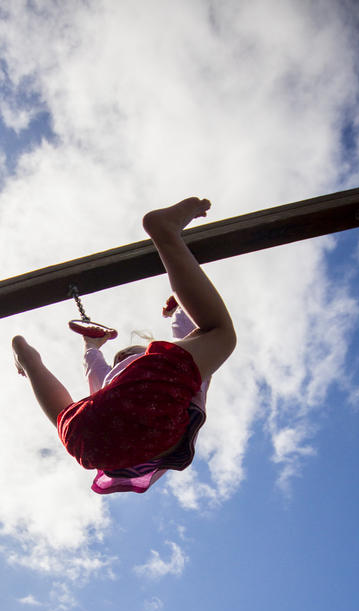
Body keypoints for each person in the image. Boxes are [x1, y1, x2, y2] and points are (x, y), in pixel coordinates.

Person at [12, 197, 236, 494]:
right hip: (89, 445)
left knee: (220, 334)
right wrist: (180, 307)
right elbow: (184, 341)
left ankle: (165, 233)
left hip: (122, 425)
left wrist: (94, 346)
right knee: (63, 416)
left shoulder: (126, 381)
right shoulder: (124, 386)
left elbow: (193, 338)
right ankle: (28, 360)